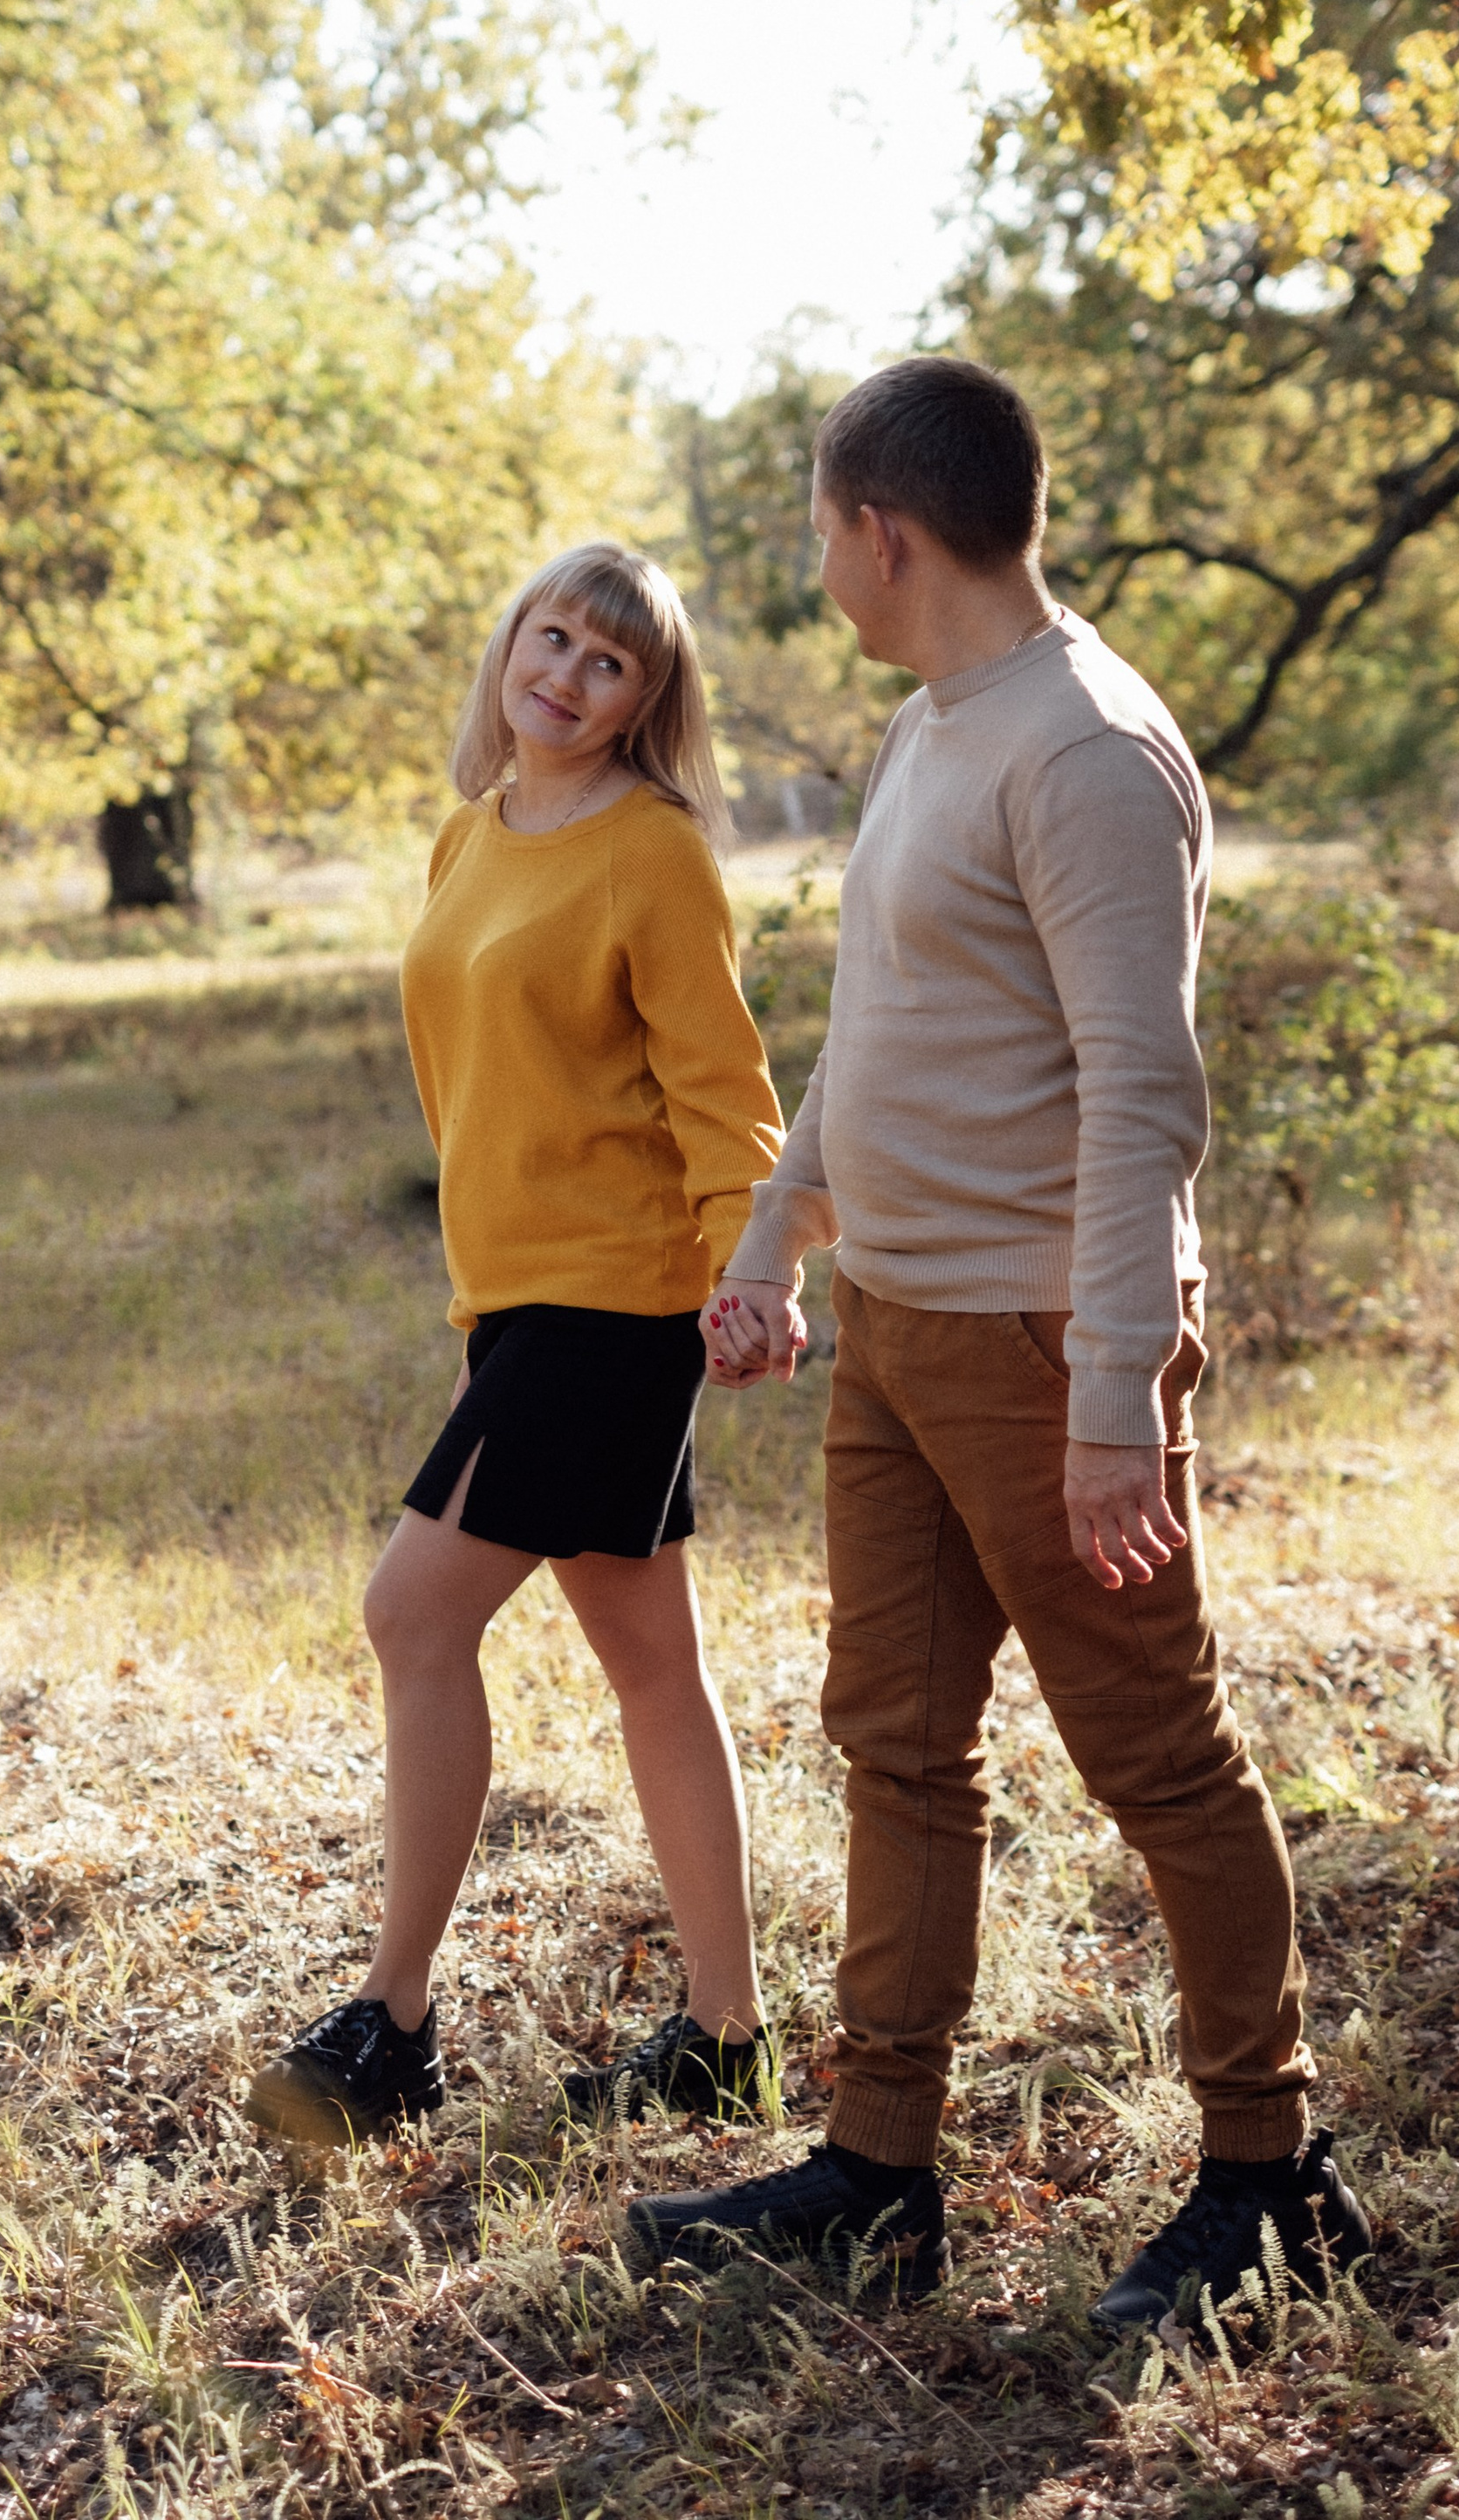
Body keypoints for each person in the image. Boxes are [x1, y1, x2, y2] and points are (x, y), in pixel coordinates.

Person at [626, 360, 1372, 2330]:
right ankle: (876, 2172)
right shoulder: (930, 726)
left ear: (880, 529)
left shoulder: (1086, 752)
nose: (817, 564)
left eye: (820, 529)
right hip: (893, 1327)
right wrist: (782, 1230)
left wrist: (1116, 1392)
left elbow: (1142, 1091)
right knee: (894, 1744)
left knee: (1156, 1758)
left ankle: (1269, 2175)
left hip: (1050, 1342)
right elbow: (881, 1036)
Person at [244, 543, 785, 2149]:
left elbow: (724, 1088)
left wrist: (757, 1268)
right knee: (651, 1666)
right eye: (551, 638)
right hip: (515, 1302)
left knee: (409, 1611)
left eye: (608, 661)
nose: (565, 674)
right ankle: (725, 2032)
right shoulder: (469, 837)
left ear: (646, 699)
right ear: (512, 644)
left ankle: (394, 2024)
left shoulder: (654, 854)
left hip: (614, 1304)